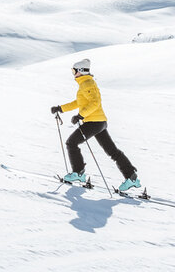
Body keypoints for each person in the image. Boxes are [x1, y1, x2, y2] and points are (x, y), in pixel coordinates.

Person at [51, 57, 140, 192]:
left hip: (93, 122)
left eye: (74, 70)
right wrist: (60, 108)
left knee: (71, 143)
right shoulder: (85, 84)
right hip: (99, 122)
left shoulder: (87, 83)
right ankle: (131, 177)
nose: (73, 73)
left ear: (80, 71)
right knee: (112, 152)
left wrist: (81, 115)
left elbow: (95, 103)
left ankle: (78, 173)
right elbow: (78, 102)